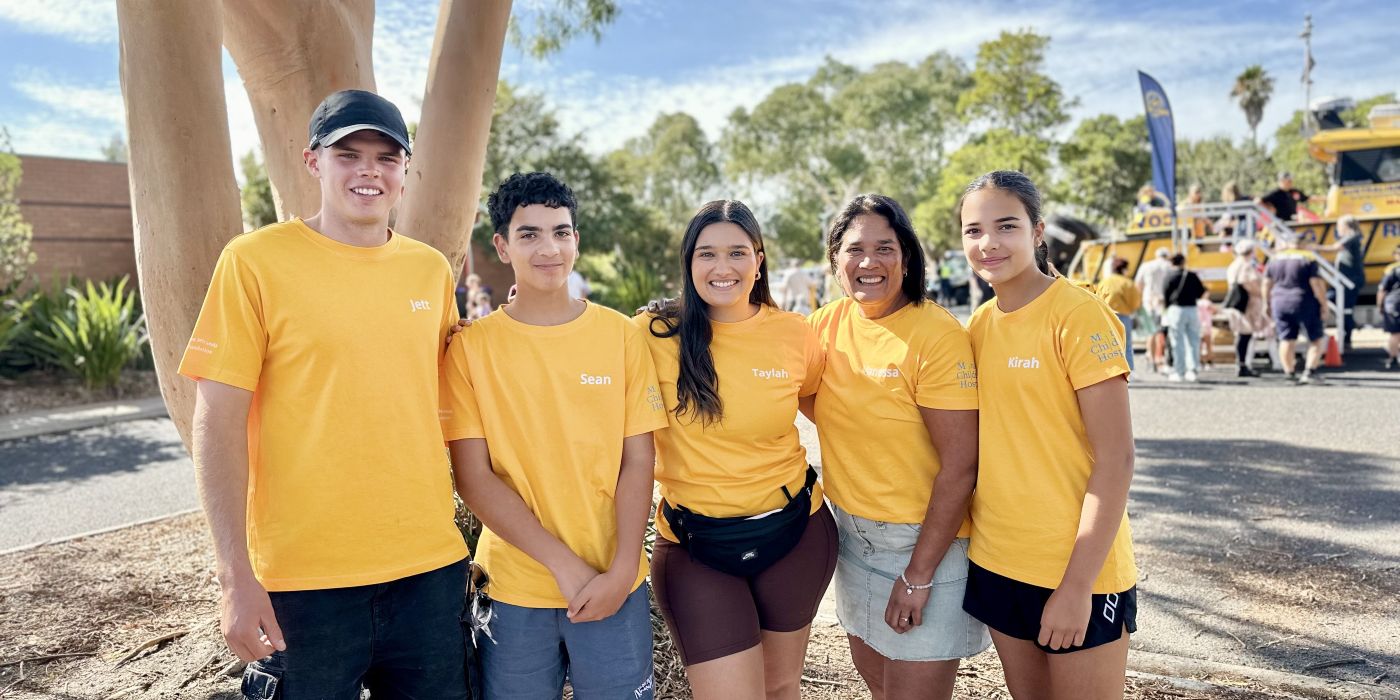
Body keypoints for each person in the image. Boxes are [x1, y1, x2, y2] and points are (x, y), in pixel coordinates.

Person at [178, 90, 472, 698]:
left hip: (429, 571)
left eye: (387, 158)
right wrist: (234, 575)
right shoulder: (254, 262)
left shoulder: (430, 271)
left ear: (405, 171)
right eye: (349, 154)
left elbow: (441, 389)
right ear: (313, 162)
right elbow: (218, 420)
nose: (369, 170)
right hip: (301, 583)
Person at [441, 172, 667, 699]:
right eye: (529, 234)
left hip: (614, 582)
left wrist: (623, 568)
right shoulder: (472, 349)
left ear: (577, 241)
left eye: (561, 232)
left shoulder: (620, 337)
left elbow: (639, 461)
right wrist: (565, 566)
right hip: (516, 587)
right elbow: (473, 478)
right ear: (501, 246)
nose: (549, 248)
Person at [638, 200, 834, 700]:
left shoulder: (794, 334)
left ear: (759, 259)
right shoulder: (651, 334)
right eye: (706, 254)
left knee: (781, 685)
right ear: (688, 263)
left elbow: (829, 411)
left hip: (795, 532)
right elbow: (572, 345)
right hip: (696, 545)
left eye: (736, 253)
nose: (721, 268)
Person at [957, 171, 1137, 700]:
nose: (988, 243)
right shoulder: (980, 324)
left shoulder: (1080, 316)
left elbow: (1117, 460)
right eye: (973, 230)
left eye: (1005, 226)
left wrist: (1078, 586)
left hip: (1079, 570)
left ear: (1037, 232)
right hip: (998, 561)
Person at [806, 194, 987, 700]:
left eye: (885, 247)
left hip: (924, 543)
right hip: (851, 534)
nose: (869, 262)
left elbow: (960, 467)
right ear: (835, 261)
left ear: (906, 256)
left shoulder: (936, 335)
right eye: (854, 249)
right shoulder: (826, 323)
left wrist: (919, 574)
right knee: (880, 688)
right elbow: (795, 390)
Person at [1263, 238, 1331, 384]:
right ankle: (1309, 372)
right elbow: (1316, 284)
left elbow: (1266, 283)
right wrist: (1323, 304)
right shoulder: (1308, 258)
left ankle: (1289, 373)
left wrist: (1266, 303)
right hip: (1304, 300)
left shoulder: (1275, 259)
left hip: (1280, 300)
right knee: (1316, 338)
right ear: (1303, 245)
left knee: (1286, 338)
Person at [1310, 215, 1366, 350]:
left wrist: (1313, 247)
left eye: (1339, 226)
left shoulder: (1352, 236)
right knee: (1333, 300)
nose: (1337, 229)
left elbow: (1336, 248)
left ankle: (1348, 335)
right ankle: (1350, 325)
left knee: (1344, 307)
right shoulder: (1351, 237)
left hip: (1350, 279)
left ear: (1346, 226)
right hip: (1343, 280)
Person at [1224, 240, 1268, 377]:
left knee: (1242, 334)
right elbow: (1248, 282)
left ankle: (1242, 363)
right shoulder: (1247, 266)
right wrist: (1262, 295)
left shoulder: (1233, 265)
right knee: (1246, 334)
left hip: (1236, 303)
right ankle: (1243, 364)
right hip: (1247, 303)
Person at [1161, 254, 1208, 382]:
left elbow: (1165, 294)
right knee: (1193, 341)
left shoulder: (1169, 276)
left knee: (1177, 342)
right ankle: (1192, 370)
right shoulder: (1192, 275)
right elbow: (1201, 292)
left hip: (1176, 310)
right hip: (1192, 309)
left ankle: (1179, 371)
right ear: (1183, 262)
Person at [1097, 258, 1142, 373]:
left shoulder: (1104, 281)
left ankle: (1110, 370)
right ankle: (1129, 370)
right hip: (1124, 316)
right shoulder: (1127, 283)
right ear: (1124, 269)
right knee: (1126, 344)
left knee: (1108, 345)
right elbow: (1135, 302)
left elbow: (1097, 298)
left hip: (1106, 316)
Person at [1135, 248, 1172, 372]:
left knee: (1151, 332)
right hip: (1164, 303)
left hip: (1148, 302)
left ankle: (1151, 358)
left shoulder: (1146, 266)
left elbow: (1138, 285)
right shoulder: (1169, 266)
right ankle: (1161, 358)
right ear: (1167, 256)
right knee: (1164, 332)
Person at [1379, 246, 1400, 369]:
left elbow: (1382, 289)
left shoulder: (1391, 269)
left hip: (1393, 303)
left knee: (1394, 333)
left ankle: (1392, 358)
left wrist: (1380, 305)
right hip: (1395, 303)